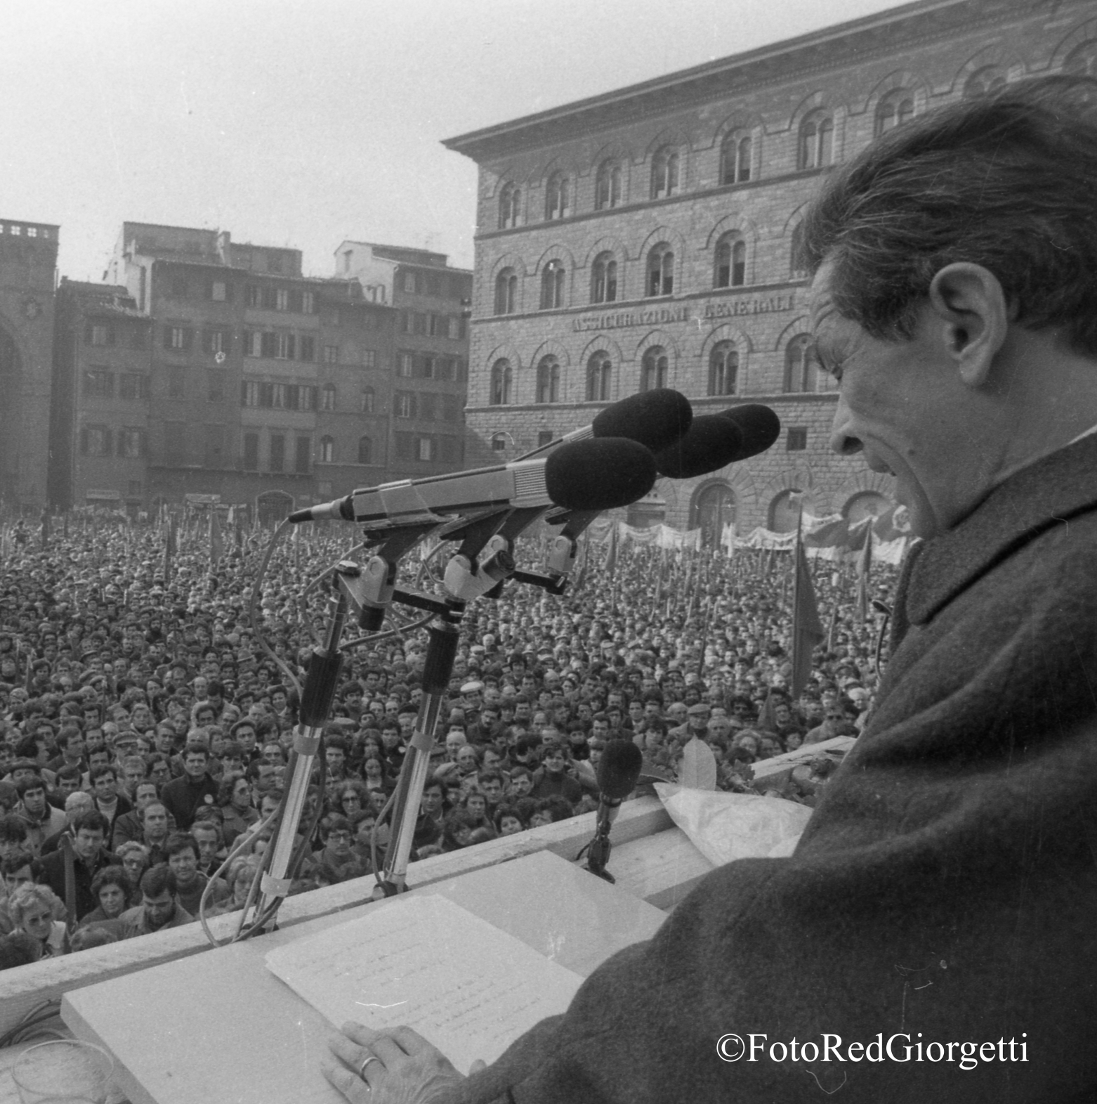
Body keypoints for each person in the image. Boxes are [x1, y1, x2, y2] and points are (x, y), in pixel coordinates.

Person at [322, 78, 1097, 1104]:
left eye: (838, 364)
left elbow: (827, 1004)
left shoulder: (1059, 600)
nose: (841, 427)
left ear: (965, 320)